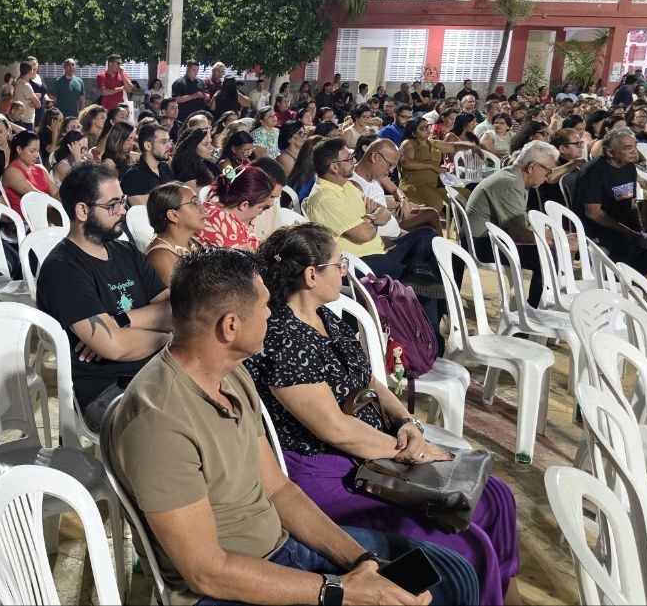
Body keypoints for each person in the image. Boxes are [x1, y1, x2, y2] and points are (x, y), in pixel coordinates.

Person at [106, 247, 480, 606]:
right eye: (264, 306)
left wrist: (363, 563)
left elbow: (280, 491)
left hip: (281, 550)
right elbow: (207, 573)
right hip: (223, 590)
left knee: (454, 574)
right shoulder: (158, 422)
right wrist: (341, 590)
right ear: (230, 325)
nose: (272, 314)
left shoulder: (230, 375)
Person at [249, 224, 517, 605]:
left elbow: (371, 382)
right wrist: (404, 450)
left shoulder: (328, 319)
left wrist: (408, 424)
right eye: (339, 264)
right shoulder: (282, 337)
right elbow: (335, 430)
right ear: (311, 276)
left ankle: (503, 595)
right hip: (326, 469)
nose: (345, 271)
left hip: (376, 451)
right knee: (468, 541)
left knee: (497, 496)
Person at [35, 162, 170, 428]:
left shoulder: (126, 252)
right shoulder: (62, 269)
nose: (123, 210)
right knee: (174, 428)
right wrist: (167, 338)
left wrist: (120, 321)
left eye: (122, 201)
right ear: (82, 211)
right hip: (106, 389)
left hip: (156, 368)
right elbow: (114, 346)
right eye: (113, 205)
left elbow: (173, 310)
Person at [304, 137, 440, 284]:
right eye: (349, 159)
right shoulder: (324, 198)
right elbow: (365, 234)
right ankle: (417, 281)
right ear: (334, 167)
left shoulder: (347, 186)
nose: (354, 161)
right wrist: (374, 217)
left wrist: (370, 217)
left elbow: (383, 211)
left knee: (428, 235)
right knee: (430, 266)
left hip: (380, 251)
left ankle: (417, 277)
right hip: (361, 264)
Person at [467, 140, 570, 307]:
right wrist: (559, 242)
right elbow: (519, 233)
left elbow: (521, 225)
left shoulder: (515, 178)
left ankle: (538, 306)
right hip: (481, 244)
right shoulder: (510, 184)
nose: (548, 176)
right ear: (532, 166)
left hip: (489, 238)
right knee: (548, 255)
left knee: (550, 249)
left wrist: (556, 236)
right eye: (547, 170)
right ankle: (536, 310)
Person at [576, 127, 647, 274]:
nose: (634, 151)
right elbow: (594, 214)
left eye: (635, 146)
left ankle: (629, 280)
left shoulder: (629, 167)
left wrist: (638, 230)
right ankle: (622, 281)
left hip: (625, 226)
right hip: (599, 228)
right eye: (627, 148)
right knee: (630, 247)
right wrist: (632, 234)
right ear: (610, 152)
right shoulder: (592, 172)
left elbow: (630, 203)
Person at [351, 137, 442, 235]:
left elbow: (395, 190)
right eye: (390, 165)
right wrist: (398, 205)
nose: (391, 171)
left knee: (430, 216)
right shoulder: (353, 182)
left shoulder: (377, 174)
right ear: (374, 156)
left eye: (394, 166)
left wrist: (403, 201)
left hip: (393, 223)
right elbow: (374, 209)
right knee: (429, 224)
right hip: (386, 233)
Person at [400, 117, 481, 211]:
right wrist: (432, 165)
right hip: (414, 185)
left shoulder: (433, 143)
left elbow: (454, 147)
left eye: (428, 126)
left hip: (432, 186)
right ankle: (426, 220)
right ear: (413, 132)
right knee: (436, 202)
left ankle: (465, 220)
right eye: (423, 128)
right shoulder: (409, 143)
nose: (428, 130)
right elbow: (406, 163)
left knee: (465, 194)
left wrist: (473, 147)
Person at [197, 164, 274, 251]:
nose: (260, 213)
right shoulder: (222, 219)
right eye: (261, 207)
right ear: (244, 205)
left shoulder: (213, 209)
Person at [145, 181, 204, 286]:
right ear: (173, 215)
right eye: (194, 202)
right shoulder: (160, 256)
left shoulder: (192, 242)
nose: (203, 209)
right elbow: (184, 296)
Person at [1, 130, 56, 218]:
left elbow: (55, 192)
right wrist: (57, 205)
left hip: (45, 215)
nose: (36, 155)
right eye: (32, 151)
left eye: (37, 151)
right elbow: (33, 194)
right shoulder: (12, 172)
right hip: (26, 221)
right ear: (19, 149)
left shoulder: (40, 168)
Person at [120, 125, 174, 206]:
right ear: (147, 146)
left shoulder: (165, 168)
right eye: (163, 142)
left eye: (169, 141)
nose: (169, 146)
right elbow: (148, 211)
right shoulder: (133, 176)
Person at [170, 127, 221, 191]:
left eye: (210, 143)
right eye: (206, 144)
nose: (211, 147)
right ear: (192, 146)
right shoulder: (184, 169)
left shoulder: (208, 163)